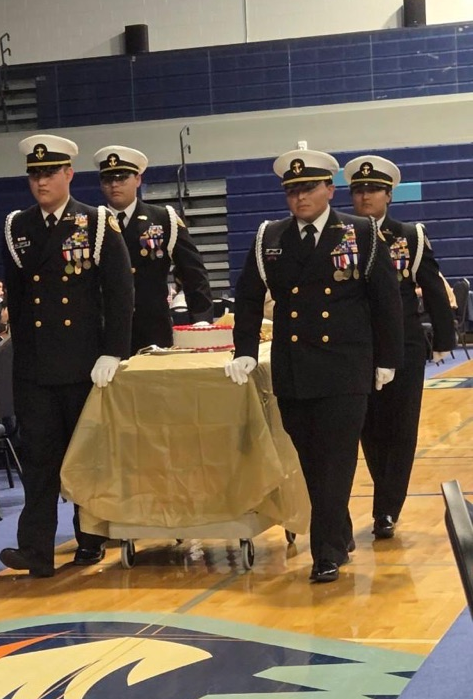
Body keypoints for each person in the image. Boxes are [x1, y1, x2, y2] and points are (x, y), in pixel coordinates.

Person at [225, 149, 403, 583]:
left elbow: (385, 302)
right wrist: (244, 348)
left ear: (329, 188)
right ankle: (338, 533)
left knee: (337, 460)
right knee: (311, 461)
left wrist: (388, 359)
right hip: (294, 368)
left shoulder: (359, 232)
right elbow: (248, 297)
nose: (299, 197)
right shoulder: (272, 237)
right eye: (291, 190)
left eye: (308, 188)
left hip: (345, 367)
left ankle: (325, 553)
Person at [0, 133, 134, 577]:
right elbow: (17, 302)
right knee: (38, 459)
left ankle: (90, 538)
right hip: (36, 365)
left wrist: (113, 351)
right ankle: (35, 548)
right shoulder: (17, 226)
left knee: (85, 457)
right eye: (34, 174)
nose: (41, 182)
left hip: (83, 362)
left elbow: (119, 293)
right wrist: (21, 359)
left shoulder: (95, 223)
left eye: (50, 173)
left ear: (68, 174)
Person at [344, 154, 456, 539]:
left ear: (389, 195)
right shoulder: (342, 236)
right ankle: (385, 496)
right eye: (358, 190)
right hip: (361, 347)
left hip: (405, 345)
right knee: (370, 430)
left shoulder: (408, 236)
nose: (364, 197)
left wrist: (444, 340)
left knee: (401, 428)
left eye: (372, 190)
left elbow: (435, 288)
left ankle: (387, 508)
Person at [93, 144, 213, 352]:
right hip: (104, 330)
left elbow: (193, 272)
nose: (114, 185)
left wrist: (201, 319)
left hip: (152, 329)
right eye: (108, 179)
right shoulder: (91, 223)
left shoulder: (163, 219)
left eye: (122, 178)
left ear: (138, 179)